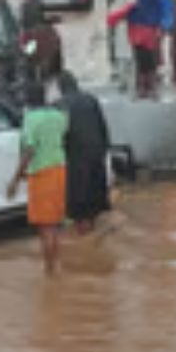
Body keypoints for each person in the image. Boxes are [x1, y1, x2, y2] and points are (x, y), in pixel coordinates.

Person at [6, 84, 69, 274]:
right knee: (55, 225)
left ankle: (49, 272)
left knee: (45, 228)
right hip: (60, 171)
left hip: (42, 175)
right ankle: (55, 267)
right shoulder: (59, 116)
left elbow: (29, 150)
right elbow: (64, 137)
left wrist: (15, 180)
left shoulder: (31, 119)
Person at [57, 72, 113, 234]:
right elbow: (103, 129)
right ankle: (91, 236)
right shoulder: (91, 99)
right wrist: (105, 152)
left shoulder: (60, 105)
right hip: (97, 157)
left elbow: (60, 135)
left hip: (76, 161)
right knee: (93, 205)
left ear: (61, 89)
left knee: (79, 210)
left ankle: (84, 238)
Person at [107, 0, 173, 98]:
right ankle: (145, 86)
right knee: (143, 59)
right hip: (140, 32)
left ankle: (147, 86)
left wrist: (163, 26)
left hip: (147, 32)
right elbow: (119, 12)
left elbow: (165, 7)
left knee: (147, 60)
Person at [20, 0, 64, 101]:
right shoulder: (50, 30)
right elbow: (57, 49)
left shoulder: (30, 34)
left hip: (37, 75)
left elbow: (29, 52)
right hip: (51, 74)